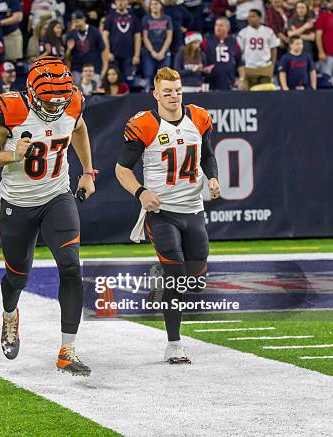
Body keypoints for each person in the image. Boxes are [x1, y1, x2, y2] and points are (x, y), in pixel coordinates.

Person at [0, 56, 96, 376]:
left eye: (60, 102)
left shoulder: (72, 104)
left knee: (70, 265)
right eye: (48, 102)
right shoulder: (11, 110)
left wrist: (88, 171)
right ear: (31, 92)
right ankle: (10, 315)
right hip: (17, 202)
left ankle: (68, 348)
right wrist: (12, 154)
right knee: (18, 276)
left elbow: (79, 128)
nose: (55, 109)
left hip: (57, 195)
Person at [115, 67, 221, 364]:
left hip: (193, 209)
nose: (173, 97)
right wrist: (141, 193)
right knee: (177, 276)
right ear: (155, 94)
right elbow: (122, 169)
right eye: (167, 92)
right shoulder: (145, 124)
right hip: (162, 212)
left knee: (196, 279)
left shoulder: (198, 117)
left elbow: (208, 155)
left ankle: (161, 281)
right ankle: (174, 345)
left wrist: (212, 178)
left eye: (177, 91)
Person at [238, 9, 280, 88]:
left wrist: (272, 64)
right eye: (249, 16)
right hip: (249, 67)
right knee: (250, 95)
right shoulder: (243, 33)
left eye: (253, 16)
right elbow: (239, 51)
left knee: (265, 94)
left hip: (265, 67)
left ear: (259, 18)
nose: (250, 18)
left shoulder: (268, 31)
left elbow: (273, 49)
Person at [103, 0, 142, 84]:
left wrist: (137, 55)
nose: (120, 3)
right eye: (118, 0)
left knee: (128, 80)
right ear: (115, 2)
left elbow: (138, 37)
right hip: (114, 55)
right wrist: (107, 52)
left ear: (127, 2)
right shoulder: (110, 16)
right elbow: (105, 36)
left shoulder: (133, 17)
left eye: (123, 0)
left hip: (129, 55)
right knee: (113, 80)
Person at [202, 17, 246, 90]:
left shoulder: (234, 41)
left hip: (229, 80)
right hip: (211, 80)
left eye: (221, 25)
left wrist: (241, 79)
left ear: (227, 28)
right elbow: (199, 58)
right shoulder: (206, 41)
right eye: (216, 25)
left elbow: (240, 63)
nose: (218, 27)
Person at [65, 10, 107, 85]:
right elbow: (67, 57)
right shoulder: (70, 35)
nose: (75, 24)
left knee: (95, 93)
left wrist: (104, 68)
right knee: (77, 94)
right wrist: (69, 49)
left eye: (77, 21)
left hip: (93, 68)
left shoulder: (94, 31)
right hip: (77, 69)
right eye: (73, 22)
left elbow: (103, 50)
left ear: (84, 19)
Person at [141, 0, 174, 87]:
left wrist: (162, 52)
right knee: (149, 74)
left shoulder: (167, 19)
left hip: (164, 50)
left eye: (156, 4)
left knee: (164, 76)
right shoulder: (146, 19)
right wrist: (152, 52)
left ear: (161, 6)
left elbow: (169, 37)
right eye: (152, 4)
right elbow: (145, 37)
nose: (154, 6)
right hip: (149, 51)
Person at [315, 0, 333, 76]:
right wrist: (321, 51)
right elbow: (318, 36)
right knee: (326, 79)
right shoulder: (323, 17)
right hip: (327, 55)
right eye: (330, 2)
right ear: (327, 4)